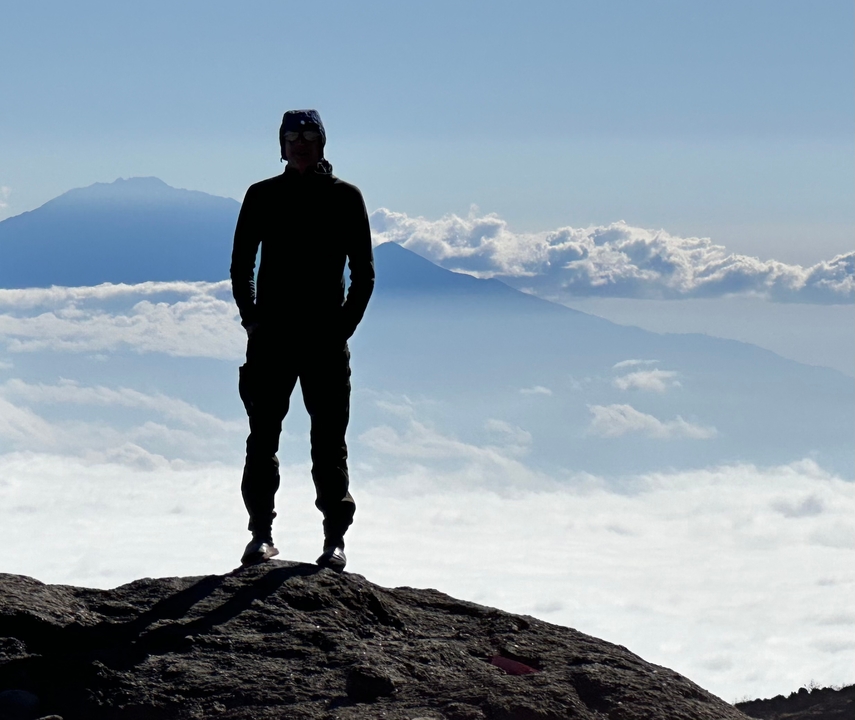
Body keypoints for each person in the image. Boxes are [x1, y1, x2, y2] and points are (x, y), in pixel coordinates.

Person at [230, 109, 374, 571]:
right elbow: (240, 264)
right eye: (292, 136)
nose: (301, 143)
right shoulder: (262, 196)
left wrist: (343, 326)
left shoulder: (345, 197)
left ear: (323, 142)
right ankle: (261, 535)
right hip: (271, 339)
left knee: (329, 443)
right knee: (262, 439)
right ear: (281, 144)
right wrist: (251, 320)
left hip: (324, 341)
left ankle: (335, 541)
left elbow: (364, 273)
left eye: (310, 135)